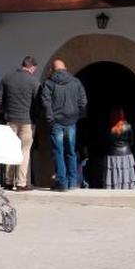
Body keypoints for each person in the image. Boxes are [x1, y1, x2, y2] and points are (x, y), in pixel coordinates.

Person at [40, 58, 87, 191]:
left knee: (58, 152)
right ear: (65, 68)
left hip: (56, 122)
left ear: (52, 69)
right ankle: (73, 182)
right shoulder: (76, 82)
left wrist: (50, 119)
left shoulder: (49, 83)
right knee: (71, 151)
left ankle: (62, 182)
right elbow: (83, 101)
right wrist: (77, 116)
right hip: (71, 122)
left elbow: (46, 103)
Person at [0, 56, 40, 191]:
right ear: (31, 67)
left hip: (10, 121)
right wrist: (34, 116)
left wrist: (7, 109)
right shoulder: (34, 81)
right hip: (27, 121)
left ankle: (9, 181)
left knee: (10, 149)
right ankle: (21, 183)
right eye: (34, 70)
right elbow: (38, 103)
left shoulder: (7, 78)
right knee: (24, 151)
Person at [104, 107, 135, 190]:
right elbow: (132, 141)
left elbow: (106, 141)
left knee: (114, 172)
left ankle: (114, 186)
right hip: (126, 153)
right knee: (125, 172)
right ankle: (126, 187)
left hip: (112, 153)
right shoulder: (128, 126)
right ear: (122, 115)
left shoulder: (109, 128)